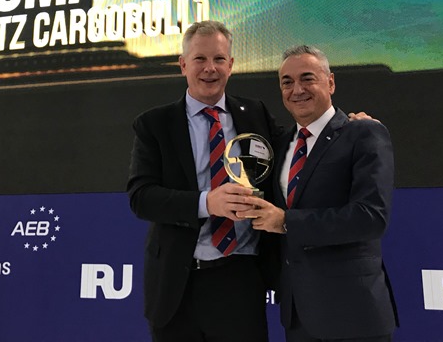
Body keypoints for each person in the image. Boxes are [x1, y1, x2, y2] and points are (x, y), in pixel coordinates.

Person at [127, 21, 282, 342]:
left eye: (219, 59)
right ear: (183, 64)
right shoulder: (155, 124)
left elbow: (295, 146)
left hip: (240, 279)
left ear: (231, 65)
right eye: (200, 59)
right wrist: (207, 203)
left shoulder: (254, 113)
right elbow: (141, 197)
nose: (210, 68)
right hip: (177, 286)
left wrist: (345, 124)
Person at [238, 45, 399, 342]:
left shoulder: (363, 133)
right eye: (287, 82)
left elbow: (371, 218)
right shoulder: (281, 144)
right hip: (298, 317)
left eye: (307, 78)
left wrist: (285, 222)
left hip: (354, 316)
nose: (297, 89)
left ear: (331, 82)